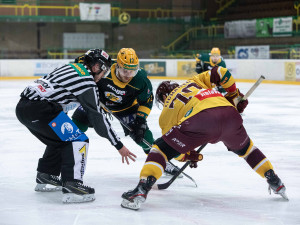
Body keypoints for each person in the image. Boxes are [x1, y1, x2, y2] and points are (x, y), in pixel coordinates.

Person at [120, 66, 287, 210]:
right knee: (248, 150)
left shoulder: (165, 113)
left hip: (200, 121)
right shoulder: (194, 81)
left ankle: (142, 188)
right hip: (230, 114)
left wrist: (188, 155)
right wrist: (234, 95)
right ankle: (274, 179)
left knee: (159, 150)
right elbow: (222, 72)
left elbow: (174, 151)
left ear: (164, 97)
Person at [15, 49, 136, 203]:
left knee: (61, 137)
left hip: (24, 107)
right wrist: (118, 145)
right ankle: (73, 184)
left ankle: (46, 175)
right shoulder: (87, 81)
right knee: (78, 139)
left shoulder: (70, 67)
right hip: (40, 109)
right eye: (104, 71)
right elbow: (97, 118)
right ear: (96, 67)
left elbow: (58, 97)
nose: (103, 76)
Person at [72, 48, 182, 176]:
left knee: (144, 137)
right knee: (76, 126)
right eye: (125, 70)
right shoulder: (105, 70)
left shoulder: (141, 79)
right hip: (98, 103)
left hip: (127, 109)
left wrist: (140, 120)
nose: (128, 75)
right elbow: (81, 63)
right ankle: (64, 153)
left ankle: (161, 160)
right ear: (117, 66)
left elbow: (146, 101)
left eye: (132, 72)